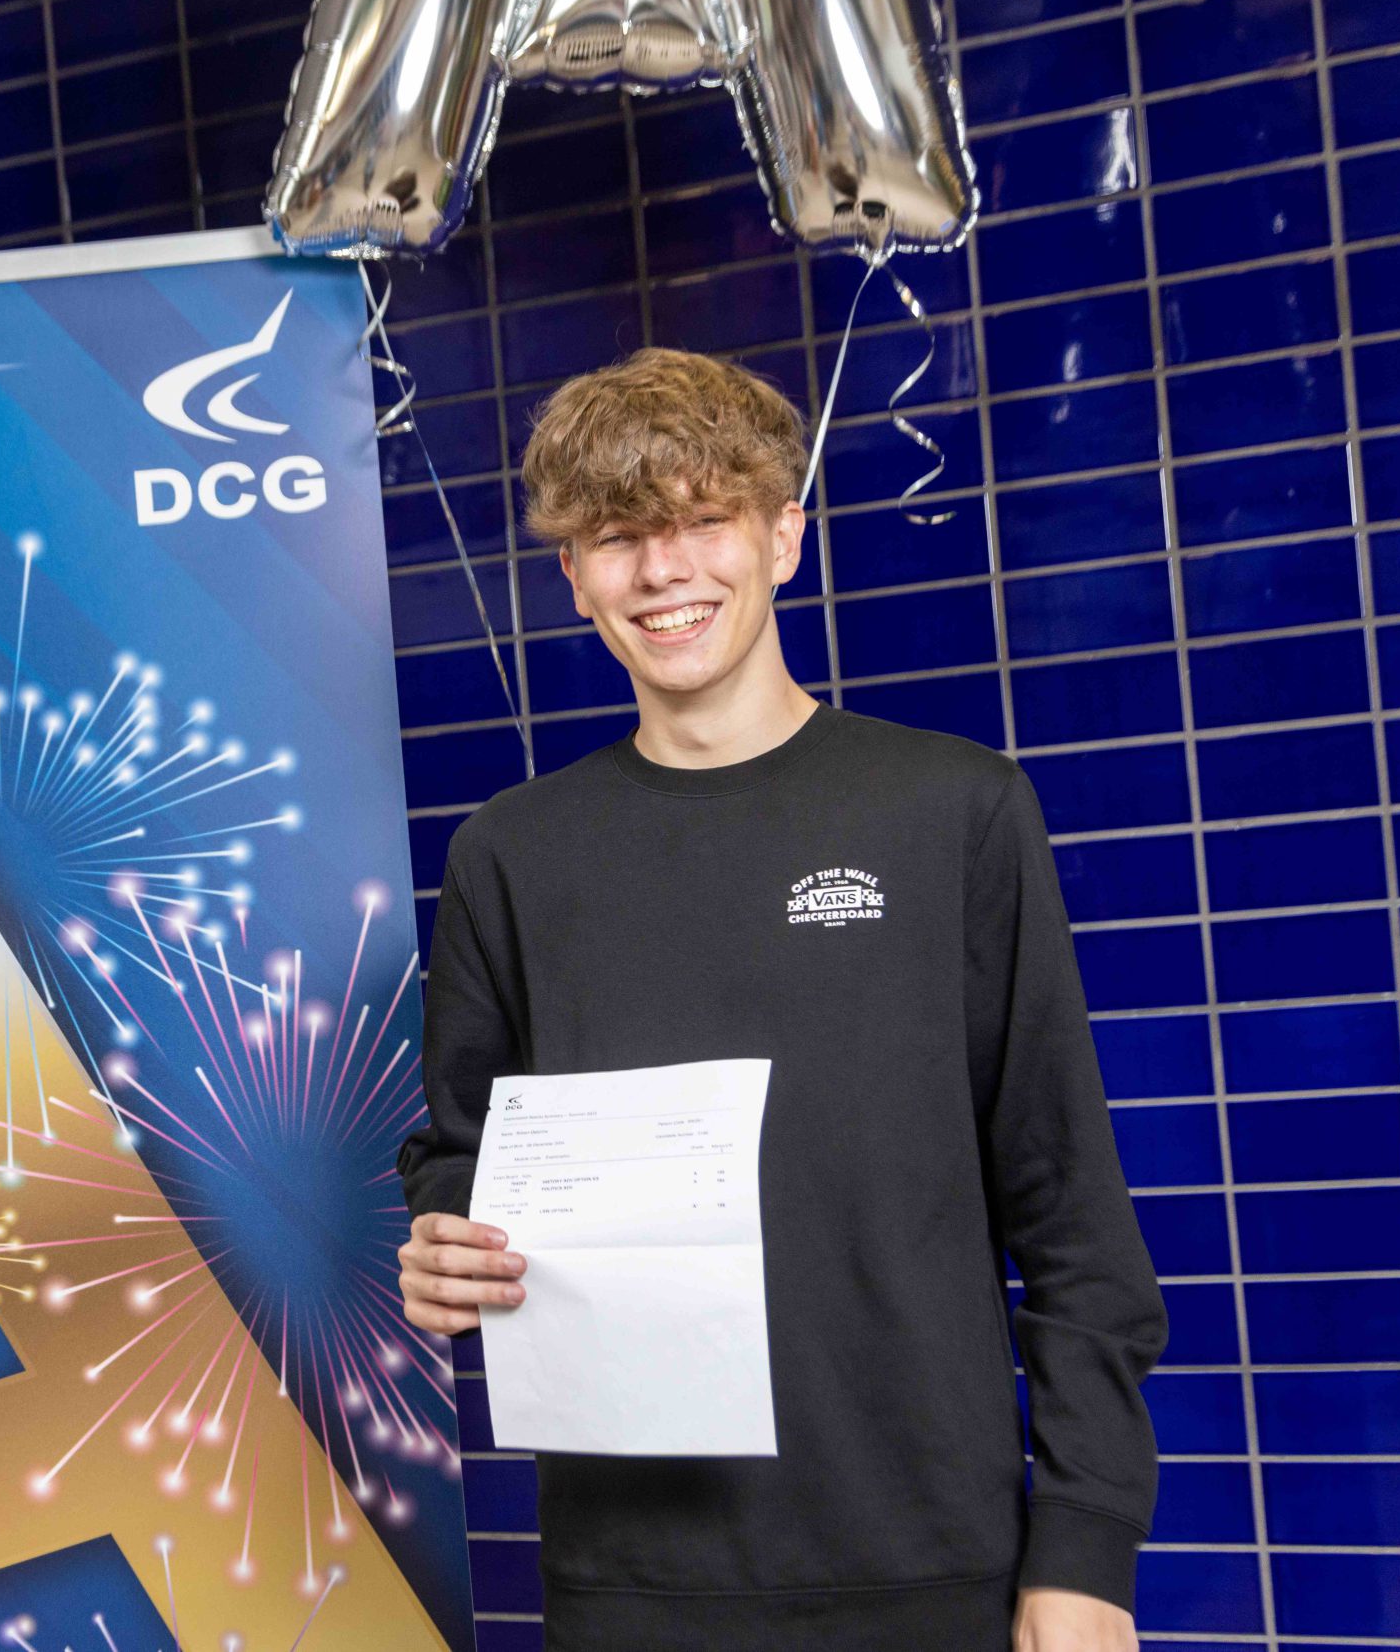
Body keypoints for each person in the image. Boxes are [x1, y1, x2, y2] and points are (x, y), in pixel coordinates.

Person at [395, 347, 1170, 1652]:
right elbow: (464, 1155)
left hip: (930, 1555)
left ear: (783, 536)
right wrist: (443, 1242)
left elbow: (1070, 1206)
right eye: (618, 537)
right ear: (574, 576)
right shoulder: (512, 855)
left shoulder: (953, 812)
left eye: (703, 521)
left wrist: (1087, 1546)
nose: (665, 572)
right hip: (633, 1580)